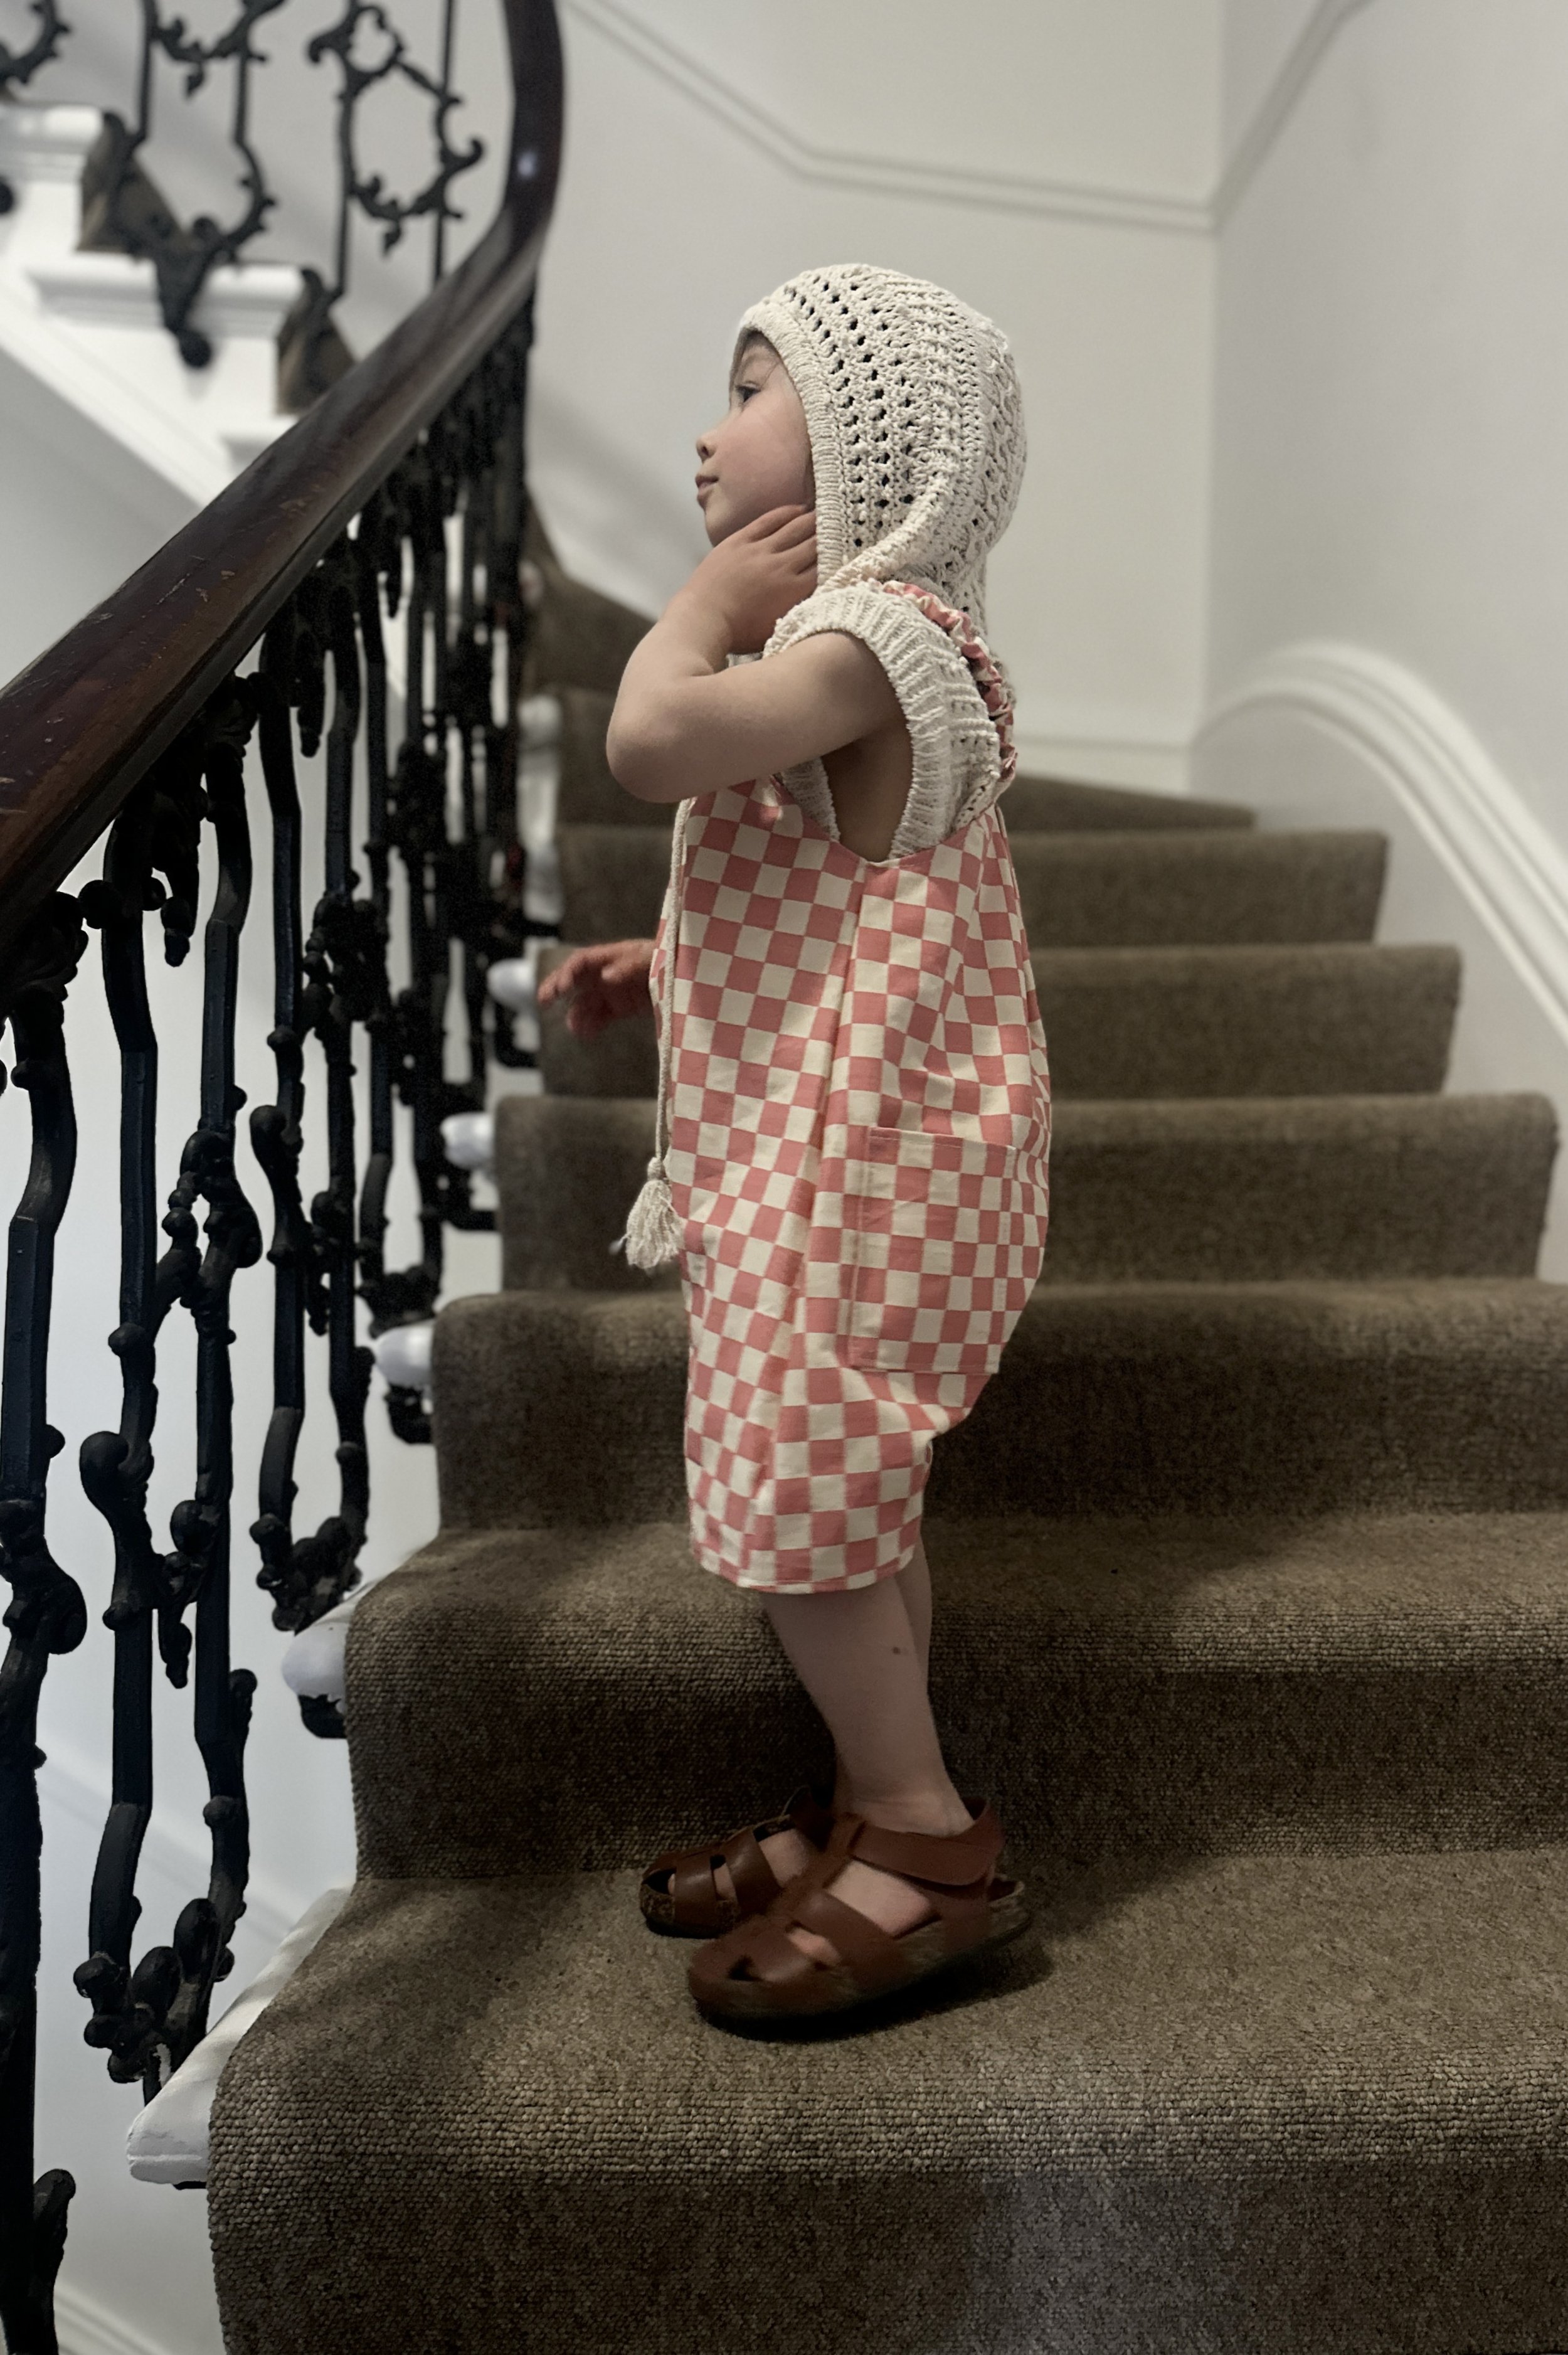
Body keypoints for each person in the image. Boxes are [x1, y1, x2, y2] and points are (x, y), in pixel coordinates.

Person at [536, 264, 1051, 2027]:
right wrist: (660, 958)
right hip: (854, 1146)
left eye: (747, 387)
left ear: (864, 443)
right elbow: (841, 920)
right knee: (849, 1489)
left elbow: (646, 738)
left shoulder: (876, 633)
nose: (702, 426)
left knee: (804, 1514)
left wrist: (684, 607)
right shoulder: (863, 643)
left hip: (866, 1168)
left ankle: (926, 1838)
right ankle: (858, 1802)